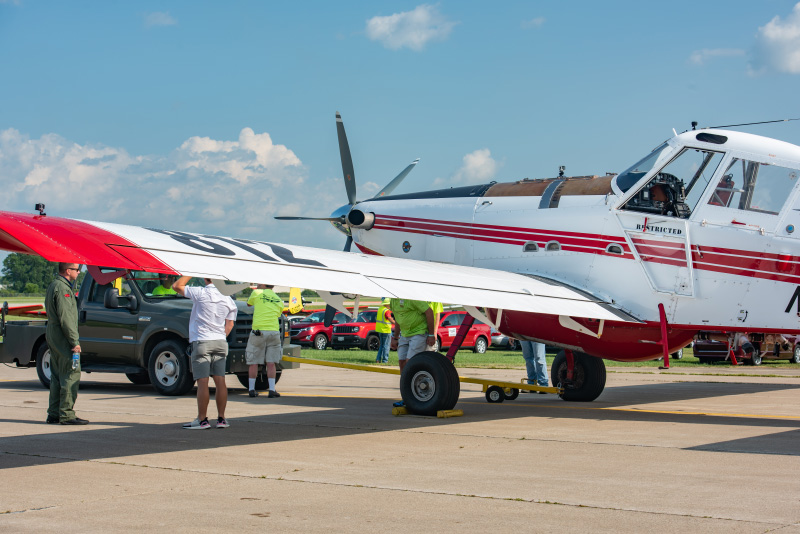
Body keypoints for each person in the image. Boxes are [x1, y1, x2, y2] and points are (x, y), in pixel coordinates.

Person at [173, 276, 237, 429]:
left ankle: (202, 420)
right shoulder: (228, 299)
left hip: (202, 341)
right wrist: (221, 336)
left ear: (205, 278)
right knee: (220, 380)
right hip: (220, 341)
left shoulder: (200, 293)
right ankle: (221, 419)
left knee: (203, 381)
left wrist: (190, 272)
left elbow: (177, 286)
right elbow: (230, 324)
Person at [45, 262, 88, 425]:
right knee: (71, 373)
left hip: (53, 332)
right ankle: (67, 414)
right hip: (63, 336)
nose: (78, 273)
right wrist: (74, 341)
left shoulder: (54, 285)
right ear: (68, 271)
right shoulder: (63, 289)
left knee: (56, 374)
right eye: (77, 270)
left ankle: (54, 413)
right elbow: (66, 318)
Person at [245, 284, 283, 398]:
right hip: (274, 332)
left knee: (254, 362)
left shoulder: (257, 293)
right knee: (271, 363)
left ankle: (251, 389)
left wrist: (258, 290)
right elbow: (278, 313)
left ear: (263, 284)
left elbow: (249, 303)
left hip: (258, 331)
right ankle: (272, 390)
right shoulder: (278, 299)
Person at [374, 298, 395, 364]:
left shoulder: (380, 309)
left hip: (380, 329)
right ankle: (385, 360)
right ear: (387, 304)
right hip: (386, 330)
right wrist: (396, 323)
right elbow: (389, 318)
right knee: (386, 346)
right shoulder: (386, 311)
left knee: (382, 345)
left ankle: (378, 359)